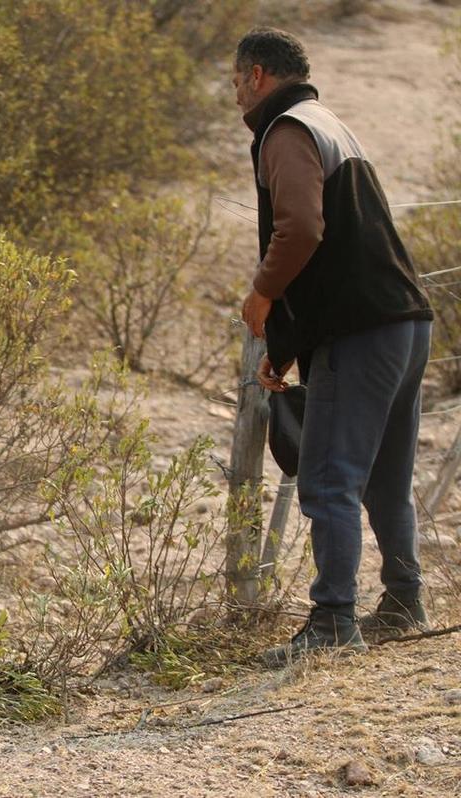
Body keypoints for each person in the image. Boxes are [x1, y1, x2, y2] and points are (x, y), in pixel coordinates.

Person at [231, 27, 434, 667]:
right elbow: (344, 245)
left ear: (259, 74)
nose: (235, 93)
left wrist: (263, 297)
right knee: (385, 480)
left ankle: (331, 622)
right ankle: (404, 600)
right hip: (405, 323)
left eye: (236, 80)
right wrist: (288, 346)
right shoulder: (328, 121)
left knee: (328, 479)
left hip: (359, 330)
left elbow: (302, 229)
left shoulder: (286, 130)